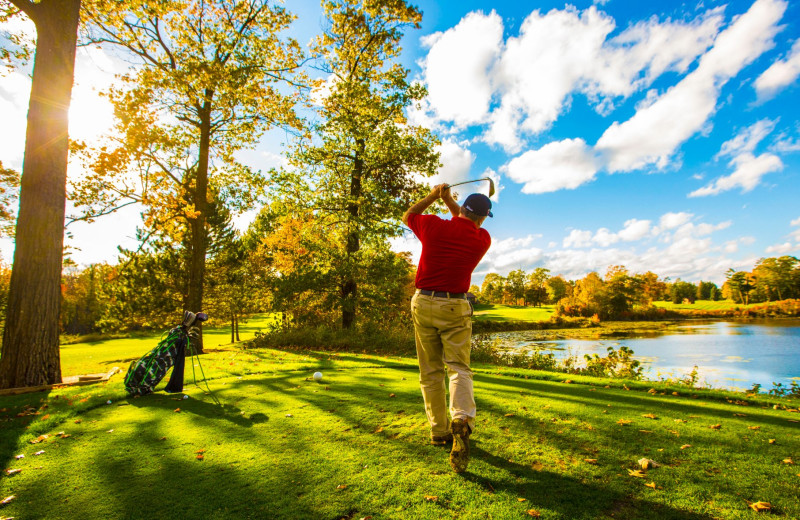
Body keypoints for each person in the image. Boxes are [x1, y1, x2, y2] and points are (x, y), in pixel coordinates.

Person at [402, 183, 492, 473]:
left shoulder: (433, 226)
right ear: (483, 218)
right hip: (455, 306)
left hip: (423, 302)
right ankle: (462, 418)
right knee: (458, 367)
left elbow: (409, 215)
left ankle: (439, 432)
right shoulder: (482, 238)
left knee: (430, 370)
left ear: (463, 209)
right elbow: (467, 223)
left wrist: (434, 196)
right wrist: (448, 200)